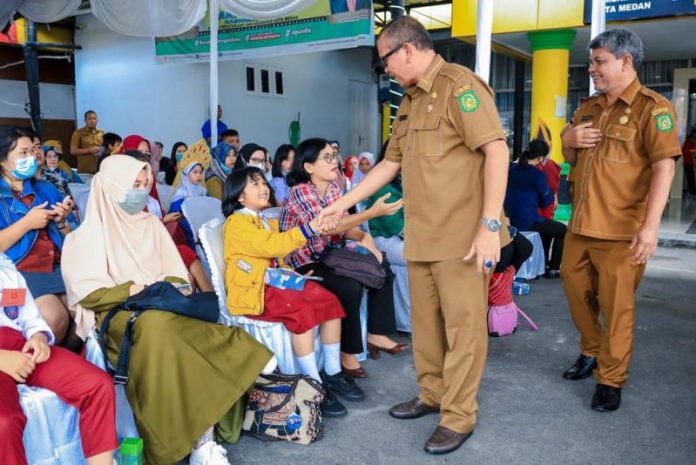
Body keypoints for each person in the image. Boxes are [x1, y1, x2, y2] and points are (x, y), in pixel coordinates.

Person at [318, 17, 511, 454]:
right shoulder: (408, 100)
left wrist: (489, 226)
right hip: (423, 235)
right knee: (426, 328)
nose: (383, 68)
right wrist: (341, 204)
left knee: (463, 330)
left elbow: (496, 150)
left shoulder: (461, 87)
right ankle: (432, 394)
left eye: (384, 59)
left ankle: (458, 416)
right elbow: (390, 165)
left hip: (464, 237)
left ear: (406, 50)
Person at [61, 155, 273, 465]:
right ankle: (232, 374)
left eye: (144, 185)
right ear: (110, 188)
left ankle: (203, 439)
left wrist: (165, 287)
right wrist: (133, 290)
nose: (140, 192)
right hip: (119, 313)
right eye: (133, 186)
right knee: (158, 328)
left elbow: (176, 274)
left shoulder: (151, 225)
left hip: (164, 304)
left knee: (170, 325)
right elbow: (88, 294)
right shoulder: (84, 236)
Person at [560, 28, 679, 413]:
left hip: (622, 232)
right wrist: (568, 138)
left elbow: (664, 168)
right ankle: (592, 350)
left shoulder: (653, 108)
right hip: (580, 227)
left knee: (617, 307)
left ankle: (610, 379)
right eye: (592, 61)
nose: (591, 69)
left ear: (625, 62)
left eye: (599, 62)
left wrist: (651, 225)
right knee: (576, 294)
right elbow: (572, 160)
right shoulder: (589, 108)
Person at [222, 166, 367, 417]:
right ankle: (314, 384)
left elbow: (277, 254)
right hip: (256, 291)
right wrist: (311, 228)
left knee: (330, 301)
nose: (263, 187)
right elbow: (274, 246)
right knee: (304, 311)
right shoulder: (237, 222)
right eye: (254, 184)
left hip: (275, 284)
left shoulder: (263, 220)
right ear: (239, 196)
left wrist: (292, 272)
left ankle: (332, 372)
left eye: (263, 182)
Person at [280, 138, 407, 379]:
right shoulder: (300, 193)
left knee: (381, 264)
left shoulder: (334, 190)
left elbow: (343, 228)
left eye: (333, 156)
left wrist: (364, 238)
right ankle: (347, 353)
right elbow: (325, 228)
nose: (334, 162)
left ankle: (376, 334)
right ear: (308, 167)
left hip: (329, 254)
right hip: (303, 262)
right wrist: (372, 213)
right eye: (326, 158)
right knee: (348, 287)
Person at [0, 253, 117, 465]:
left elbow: (29, 317)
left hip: (24, 348)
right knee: (3, 423)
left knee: (97, 385)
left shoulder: (6, 267)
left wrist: (39, 337)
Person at [0, 126, 75, 346]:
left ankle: (66, 363)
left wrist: (62, 223)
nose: (32, 157)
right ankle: (36, 367)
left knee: (82, 316)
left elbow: (68, 237)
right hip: (21, 267)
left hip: (58, 263)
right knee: (55, 318)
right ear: (3, 161)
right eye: (23, 153)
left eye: (32, 151)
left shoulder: (46, 189)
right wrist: (27, 223)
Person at [504, 139, 566, 278]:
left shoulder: (511, 169)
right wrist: (549, 193)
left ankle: (543, 265)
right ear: (540, 158)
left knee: (546, 227)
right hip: (528, 221)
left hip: (509, 219)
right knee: (562, 230)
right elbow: (546, 203)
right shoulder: (538, 175)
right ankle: (554, 267)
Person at [169, 160, 208, 248]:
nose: (198, 175)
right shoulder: (181, 194)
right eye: (195, 172)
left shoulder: (203, 191)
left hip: (203, 230)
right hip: (187, 232)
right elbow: (174, 215)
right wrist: (190, 227)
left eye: (200, 172)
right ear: (187, 174)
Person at [70, 110, 104, 174]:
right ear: (85, 120)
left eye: (94, 118)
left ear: (97, 120)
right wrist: (89, 150)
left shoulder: (101, 132)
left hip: (100, 170)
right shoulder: (78, 132)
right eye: (89, 118)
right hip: (85, 170)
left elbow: (104, 148)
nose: (92, 120)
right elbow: (73, 151)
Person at [681, 127, 696, 196]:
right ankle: (692, 191)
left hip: (691, 163)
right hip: (689, 163)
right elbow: (685, 152)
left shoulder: (692, 143)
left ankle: (692, 191)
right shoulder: (688, 143)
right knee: (691, 178)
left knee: (692, 178)